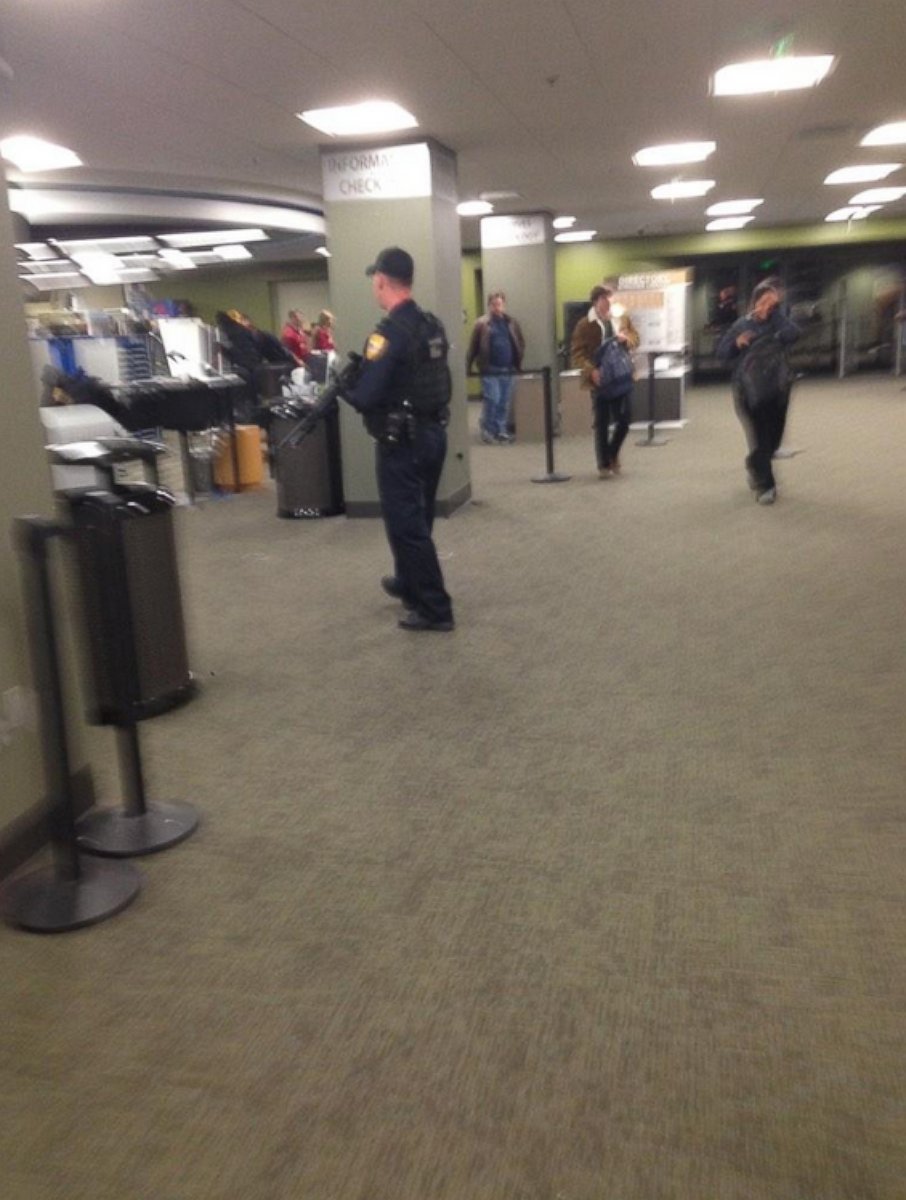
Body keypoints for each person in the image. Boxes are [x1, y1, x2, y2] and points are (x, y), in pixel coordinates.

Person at [344, 247, 455, 633]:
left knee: (406, 525)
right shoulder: (430, 325)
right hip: (433, 434)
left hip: (402, 442)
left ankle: (435, 608)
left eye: (374, 282)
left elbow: (366, 396)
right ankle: (410, 584)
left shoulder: (389, 332)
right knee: (419, 518)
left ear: (381, 281)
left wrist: (348, 387)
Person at [717, 280, 800, 505]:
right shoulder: (741, 325)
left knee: (774, 440)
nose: (768, 306)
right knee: (761, 438)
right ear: (755, 301)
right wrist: (736, 343)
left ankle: (754, 464)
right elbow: (722, 353)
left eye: (773, 303)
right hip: (749, 393)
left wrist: (775, 315)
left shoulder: (779, 324)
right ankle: (766, 486)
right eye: (764, 301)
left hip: (777, 388)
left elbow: (794, 335)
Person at [570, 284, 640, 477]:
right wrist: (590, 370)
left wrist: (628, 340)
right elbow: (577, 353)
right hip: (599, 379)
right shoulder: (585, 324)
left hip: (622, 376)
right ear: (596, 301)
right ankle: (603, 464)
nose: (610, 302)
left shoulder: (621, 318)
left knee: (625, 420)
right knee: (601, 422)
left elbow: (636, 337)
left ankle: (612, 453)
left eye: (611, 298)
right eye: (606, 299)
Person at [466, 291, 525, 443]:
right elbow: (473, 347)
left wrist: (517, 363)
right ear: (489, 305)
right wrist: (468, 367)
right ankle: (488, 430)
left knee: (504, 401)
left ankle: (501, 430)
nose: (497, 307)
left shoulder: (511, 323)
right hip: (490, 369)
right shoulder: (482, 324)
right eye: (494, 304)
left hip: (508, 369)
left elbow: (519, 342)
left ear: (504, 305)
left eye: (499, 304)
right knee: (493, 399)